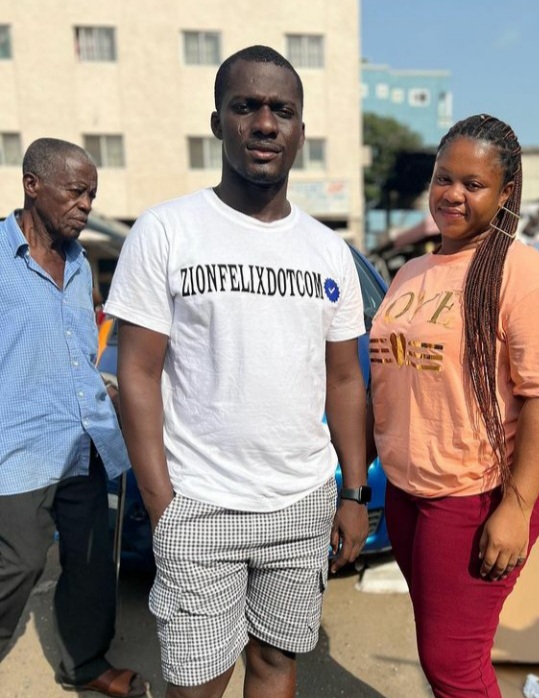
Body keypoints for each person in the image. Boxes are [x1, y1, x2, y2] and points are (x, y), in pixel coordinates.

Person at [104, 45, 369, 698]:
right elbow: (136, 373)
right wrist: (162, 502)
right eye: (246, 106)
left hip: (302, 503)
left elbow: (344, 381)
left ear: (300, 131)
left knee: (277, 662)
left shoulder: (329, 252)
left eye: (282, 110)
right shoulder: (166, 232)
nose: (264, 123)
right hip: (199, 501)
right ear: (218, 122)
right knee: (196, 682)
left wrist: (354, 494)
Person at [368, 114, 539, 698]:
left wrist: (515, 506)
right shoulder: (411, 271)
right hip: (410, 492)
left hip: (475, 494)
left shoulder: (529, 278)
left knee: (452, 665)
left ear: (506, 193)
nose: (452, 194)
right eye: (443, 179)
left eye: (473, 183)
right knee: (447, 653)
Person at [0, 138, 146, 698]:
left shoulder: (83, 264)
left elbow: (74, 348)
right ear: (32, 185)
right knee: (17, 563)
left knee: (90, 560)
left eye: (92, 194)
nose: (86, 204)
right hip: (17, 445)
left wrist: (100, 388)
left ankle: (86, 662)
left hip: (85, 438)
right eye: (76, 191)